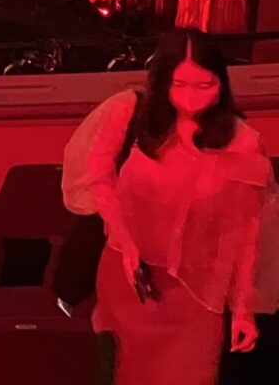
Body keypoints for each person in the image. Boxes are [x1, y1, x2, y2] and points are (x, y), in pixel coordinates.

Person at [63, 28, 277, 383]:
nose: (191, 98)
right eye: (180, 85)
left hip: (199, 291)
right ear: (162, 82)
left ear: (221, 84)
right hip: (132, 277)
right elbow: (96, 180)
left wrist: (243, 309)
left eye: (204, 85)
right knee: (129, 371)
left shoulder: (242, 142)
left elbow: (244, 230)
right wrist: (125, 242)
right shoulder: (129, 112)